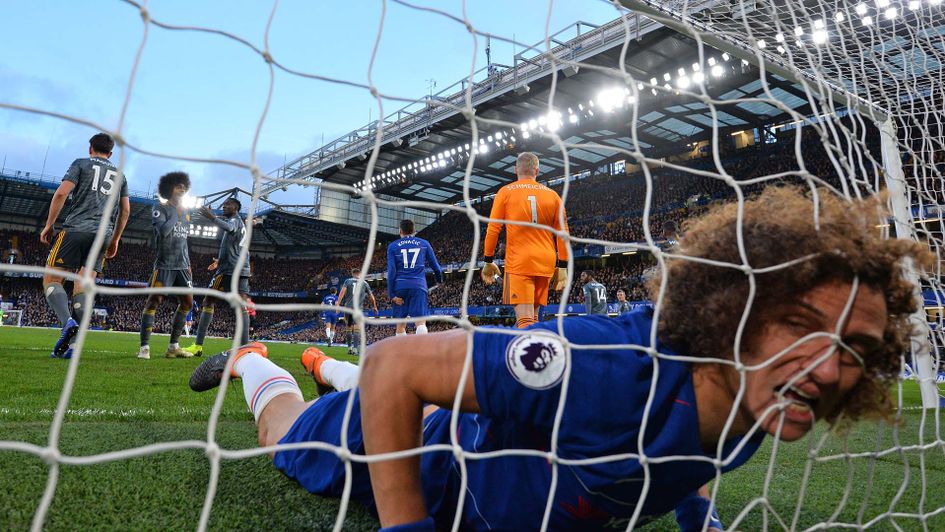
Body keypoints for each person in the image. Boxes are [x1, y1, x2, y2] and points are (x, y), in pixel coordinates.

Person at [189, 186, 930, 530]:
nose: (829, 369)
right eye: (802, 325)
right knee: (282, 436)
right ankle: (259, 362)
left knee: (429, 371)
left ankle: (325, 365)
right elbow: (395, 368)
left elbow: (695, 453)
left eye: (855, 351)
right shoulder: (602, 371)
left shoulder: (764, 398)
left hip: (471, 413)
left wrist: (695, 519)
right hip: (424, 448)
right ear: (731, 315)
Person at [40, 133, 130, 359]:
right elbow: (125, 210)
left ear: (90, 148)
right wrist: (116, 238)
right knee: (82, 287)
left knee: (52, 279)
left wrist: (50, 225)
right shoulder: (121, 175)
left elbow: (61, 193)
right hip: (103, 236)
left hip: (75, 229)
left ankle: (66, 322)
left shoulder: (81, 164)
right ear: (110, 154)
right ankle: (72, 348)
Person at [481, 152, 570, 328]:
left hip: (520, 261)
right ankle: (541, 354)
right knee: (535, 320)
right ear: (537, 171)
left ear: (516, 170)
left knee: (525, 321)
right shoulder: (553, 195)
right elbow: (563, 233)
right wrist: (563, 265)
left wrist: (488, 260)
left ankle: (527, 354)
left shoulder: (505, 192)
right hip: (546, 261)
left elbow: (493, 229)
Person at [182, 197, 252, 356]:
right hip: (241, 269)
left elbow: (228, 227)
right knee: (241, 306)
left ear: (236, 207)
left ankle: (198, 346)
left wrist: (211, 217)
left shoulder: (235, 220)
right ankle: (246, 349)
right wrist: (220, 260)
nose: (225, 206)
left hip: (229, 270)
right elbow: (236, 248)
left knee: (208, 301)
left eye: (228, 204)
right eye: (225, 204)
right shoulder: (239, 224)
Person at [138, 172, 195, 360]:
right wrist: (176, 216)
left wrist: (189, 264)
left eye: (184, 187)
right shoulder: (159, 208)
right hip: (164, 265)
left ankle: (173, 347)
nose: (182, 189)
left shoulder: (186, 212)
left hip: (182, 266)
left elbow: (184, 240)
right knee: (153, 302)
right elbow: (163, 232)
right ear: (169, 188)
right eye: (179, 186)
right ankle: (144, 347)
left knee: (187, 303)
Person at [387, 219, 443, 336]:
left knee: (401, 324)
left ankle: (402, 354)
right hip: (418, 286)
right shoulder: (424, 243)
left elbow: (392, 271)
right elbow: (436, 267)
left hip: (400, 286)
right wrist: (439, 280)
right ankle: (421, 353)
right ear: (414, 230)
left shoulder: (392, 246)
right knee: (421, 322)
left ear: (400, 231)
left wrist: (392, 294)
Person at [336, 267, 378, 355]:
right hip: (358, 309)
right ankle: (355, 349)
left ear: (352, 274)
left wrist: (338, 304)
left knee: (349, 328)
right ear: (360, 274)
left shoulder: (347, 281)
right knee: (357, 329)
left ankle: (349, 348)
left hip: (348, 308)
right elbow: (371, 296)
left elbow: (342, 292)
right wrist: (374, 306)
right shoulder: (365, 283)